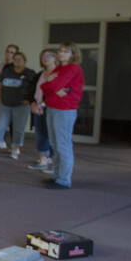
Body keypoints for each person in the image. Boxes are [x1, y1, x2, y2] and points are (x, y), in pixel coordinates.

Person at [39, 42, 84, 189]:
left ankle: (64, 180)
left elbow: (53, 85)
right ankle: (56, 176)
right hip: (52, 107)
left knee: (63, 145)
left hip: (64, 109)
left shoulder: (73, 68)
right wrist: (54, 86)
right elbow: (44, 87)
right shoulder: (58, 68)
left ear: (73, 54)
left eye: (66, 52)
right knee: (54, 144)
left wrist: (54, 85)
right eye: (60, 51)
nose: (61, 54)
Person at [0, 51, 35, 160]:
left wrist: (30, 100)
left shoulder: (30, 73)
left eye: (20, 59)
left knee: (18, 128)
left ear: (24, 61)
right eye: (15, 59)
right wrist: (0, 100)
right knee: (0, 126)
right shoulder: (7, 72)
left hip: (21, 106)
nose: (17, 61)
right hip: (5, 105)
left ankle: (15, 149)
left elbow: (34, 88)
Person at [27, 48, 58, 172]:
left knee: (53, 136)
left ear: (55, 58)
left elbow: (55, 92)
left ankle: (55, 163)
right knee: (40, 135)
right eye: (43, 57)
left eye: (49, 56)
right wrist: (33, 103)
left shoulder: (58, 74)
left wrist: (42, 103)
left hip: (51, 109)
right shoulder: (39, 74)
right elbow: (31, 91)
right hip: (38, 109)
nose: (45, 59)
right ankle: (43, 160)